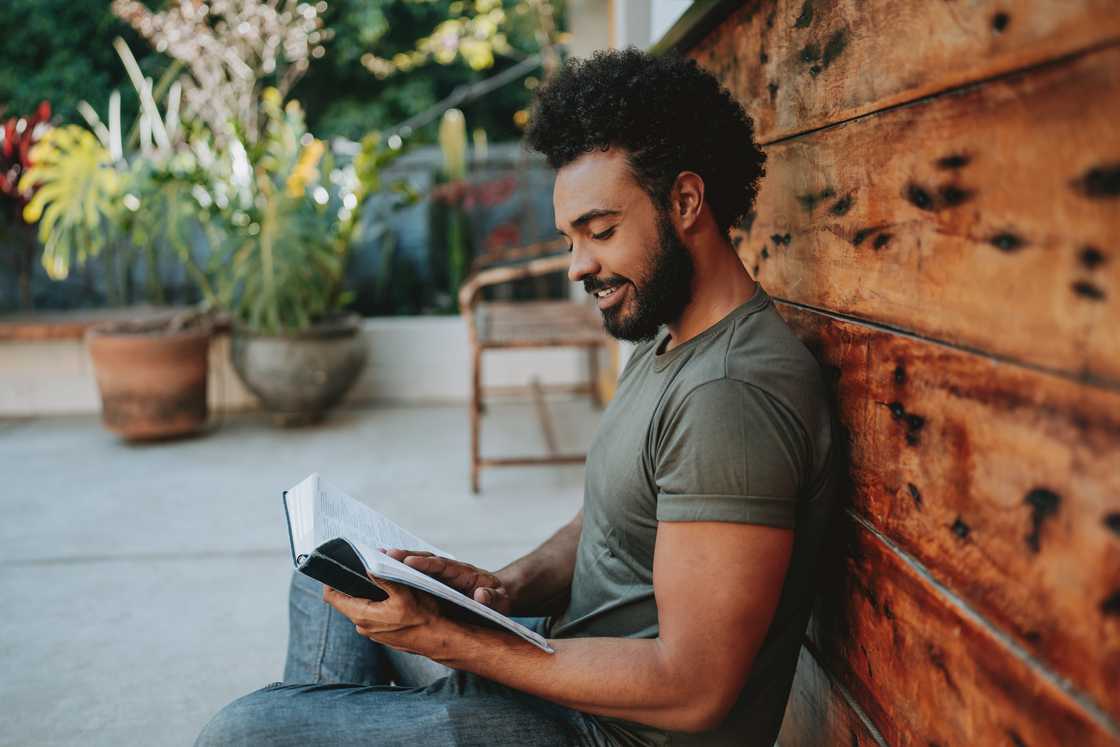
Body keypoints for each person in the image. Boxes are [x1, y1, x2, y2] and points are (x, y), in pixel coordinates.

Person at [196, 47, 838, 747]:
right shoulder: (670, 335)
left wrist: (450, 637)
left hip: (605, 730)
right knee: (332, 579)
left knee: (248, 731)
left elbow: (694, 687)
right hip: (564, 667)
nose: (578, 265)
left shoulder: (729, 395)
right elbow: (608, 522)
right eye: (570, 238)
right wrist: (503, 586)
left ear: (685, 202)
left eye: (601, 231)